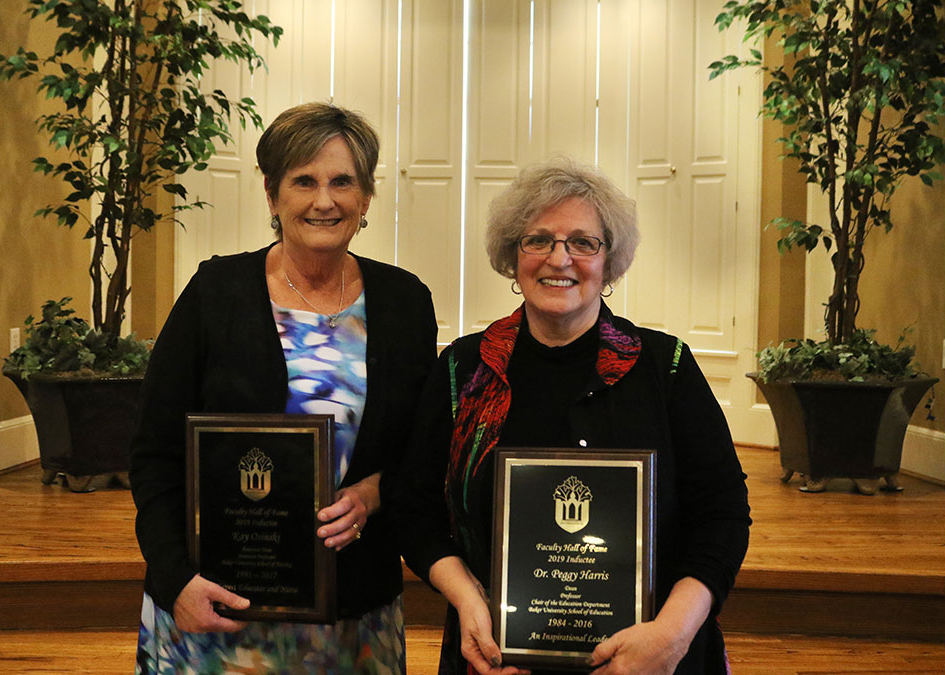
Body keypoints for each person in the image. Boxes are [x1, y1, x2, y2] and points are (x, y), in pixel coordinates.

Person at [392, 157, 750, 675]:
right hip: (497, 657)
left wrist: (672, 636)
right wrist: (468, 600)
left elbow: (722, 513)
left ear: (609, 262)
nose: (559, 259)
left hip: (650, 660)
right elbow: (413, 510)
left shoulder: (664, 368)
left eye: (583, 242)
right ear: (513, 257)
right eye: (538, 240)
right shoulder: (463, 371)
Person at [130, 102, 438, 673]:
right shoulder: (214, 292)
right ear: (272, 195)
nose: (325, 200)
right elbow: (155, 454)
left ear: (366, 197)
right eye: (304, 181)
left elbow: (423, 453)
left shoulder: (405, 303)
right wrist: (176, 580)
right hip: (219, 609)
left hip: (352, 617)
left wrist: (373, 495)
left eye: (342, 181)